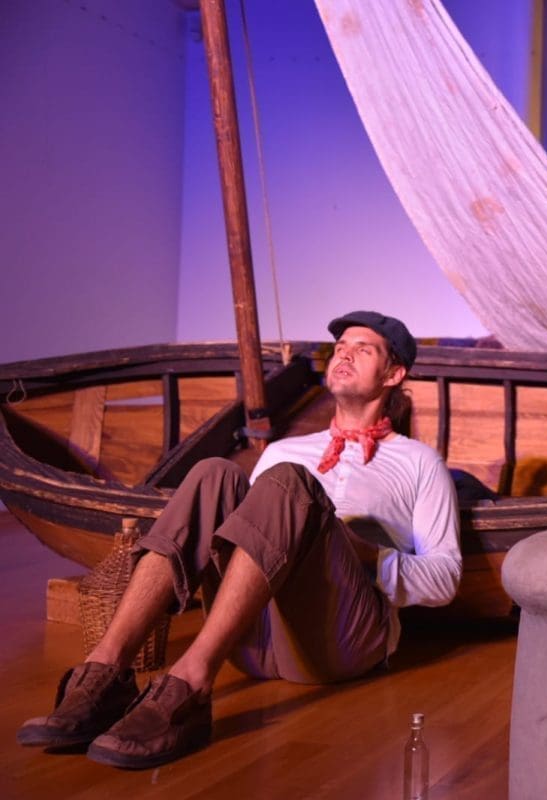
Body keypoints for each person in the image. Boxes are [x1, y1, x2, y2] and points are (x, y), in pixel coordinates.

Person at [17, 310, 462, 769]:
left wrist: (367, 553)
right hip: (254, 641)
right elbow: (253, 542)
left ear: (393, 374)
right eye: (340, 348)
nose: (344, 355)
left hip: (338, 646)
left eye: (362, 350)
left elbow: (446, 578)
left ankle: (190, 683)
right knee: (214, 474)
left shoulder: (419, 463)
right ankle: (105, 673)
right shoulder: (285, 449)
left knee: (290, 481)